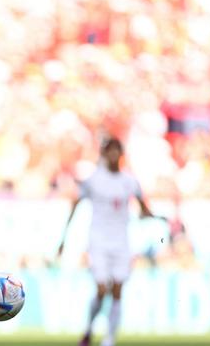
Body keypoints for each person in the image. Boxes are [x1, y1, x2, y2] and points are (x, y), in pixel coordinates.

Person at [57, 138, 155, 346]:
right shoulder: (93, 180)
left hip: (122, 242)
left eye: (116, 151)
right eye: (109, 151)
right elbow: (75, 205)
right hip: (99, 241)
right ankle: (90, 328)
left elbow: (143, 206)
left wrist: (151, 216)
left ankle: (109, 338)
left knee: (118, 289)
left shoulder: (129, 181)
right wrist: (63, 239)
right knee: (102, 290)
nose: (113, 155)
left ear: (121, 154)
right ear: (103, 154)